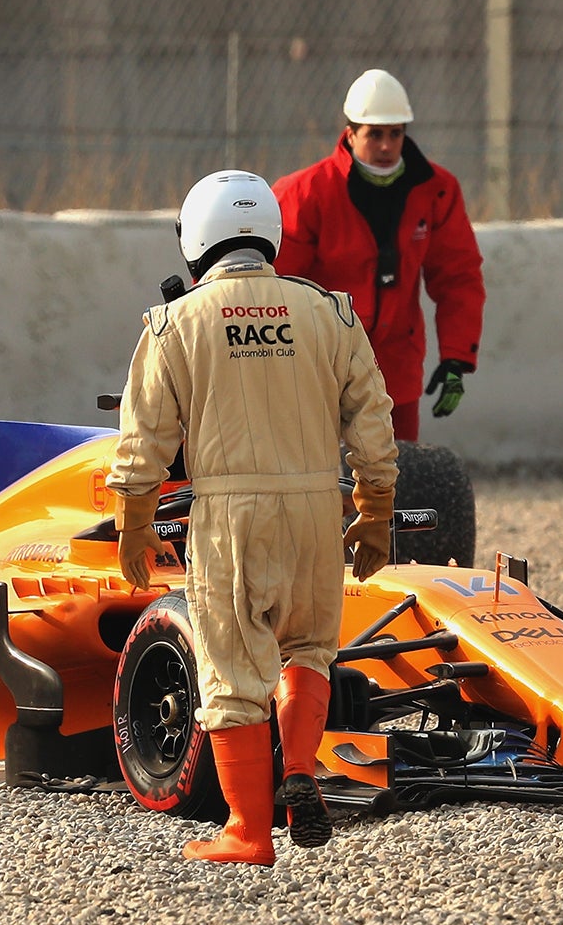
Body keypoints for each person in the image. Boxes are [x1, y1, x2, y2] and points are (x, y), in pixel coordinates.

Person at [109, 170, 397, 867]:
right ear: (268, 231)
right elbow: (373, 418)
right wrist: (375, 509)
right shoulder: (330, 313)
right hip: (314, 508)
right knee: (308, 649)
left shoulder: (175, 322)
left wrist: (134, 520)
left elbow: (145, 436)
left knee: (233, 672)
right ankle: (299, 765)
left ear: (197, 238)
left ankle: (248, 829)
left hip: (230, 515)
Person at [272, 69, 484, 442]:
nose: (386, 146)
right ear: (351, 133)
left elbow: (458, 276)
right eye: (375, 134)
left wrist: (456, 357)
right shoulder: (305, 194)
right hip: (319, 366)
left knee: (395, 483)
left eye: (395, 134)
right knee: (320, 482)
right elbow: (270, 283)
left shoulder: (436, 191)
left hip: (395, 369)